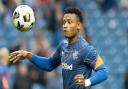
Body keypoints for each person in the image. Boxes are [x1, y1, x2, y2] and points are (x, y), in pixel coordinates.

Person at [9, 7, 108, 89]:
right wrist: (28, 55)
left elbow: (103, 72)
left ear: (78, 25)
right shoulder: (63, 46)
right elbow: (49, 64)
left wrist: (87, 82)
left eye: (69, 22)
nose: (65, 25)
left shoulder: (86, 49)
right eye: (64, 22)